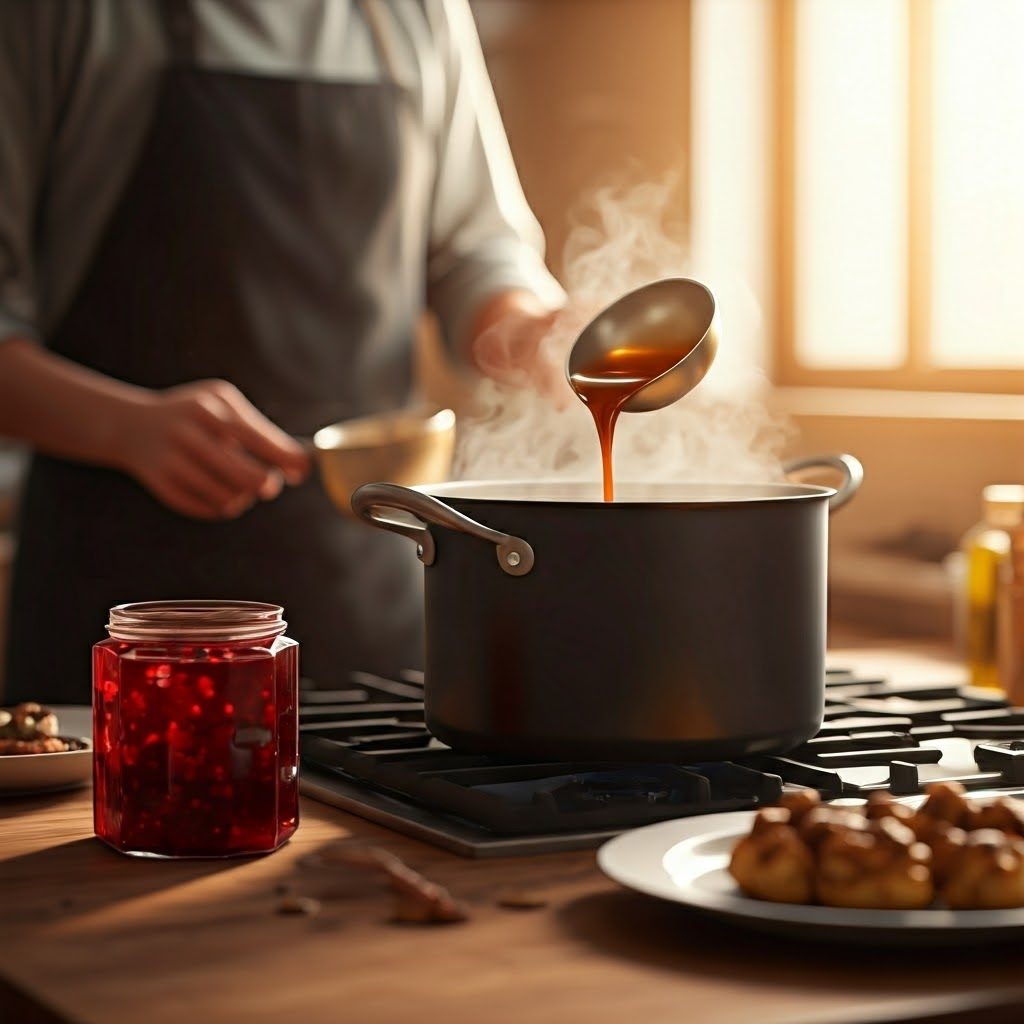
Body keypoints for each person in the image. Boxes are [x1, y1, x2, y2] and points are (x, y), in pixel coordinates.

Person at [0, 0, 566, 703]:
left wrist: (527, 331)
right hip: (128, 619)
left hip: (370, 598)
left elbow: (476, 252)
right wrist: (126, 427)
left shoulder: (414, 10)